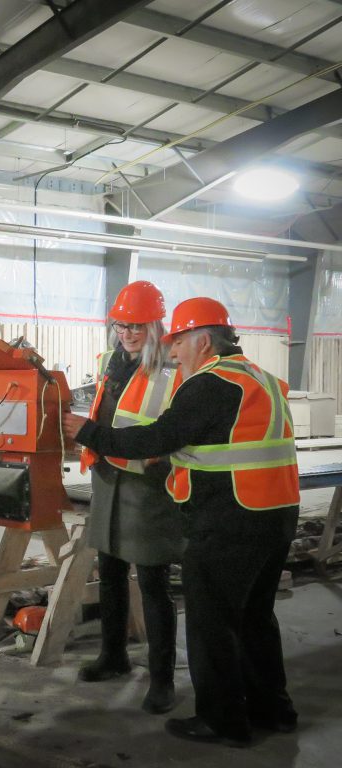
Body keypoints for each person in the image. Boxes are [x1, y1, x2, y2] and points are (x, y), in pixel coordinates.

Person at [62, 297, 300, 748]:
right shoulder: (262, 379)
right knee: (254, 619)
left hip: (231, 519)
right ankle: (274, 709)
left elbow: (159, 437)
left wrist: (89, 433)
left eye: (180, 341)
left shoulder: (210, 383)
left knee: (213, 622)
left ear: (204, 340)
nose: (175, 351)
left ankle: (223, 721)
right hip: (276, 515)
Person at [77, 281, 184, 716]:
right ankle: (114, 656)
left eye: (136, 326)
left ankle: (162, 679)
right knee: (112, 574)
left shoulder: (172, 370)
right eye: (121, 324)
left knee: (155, 584)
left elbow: (163, 433)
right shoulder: (111, 363)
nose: (127, 333)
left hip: (148, 487)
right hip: (108, 479)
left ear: (155, 326)